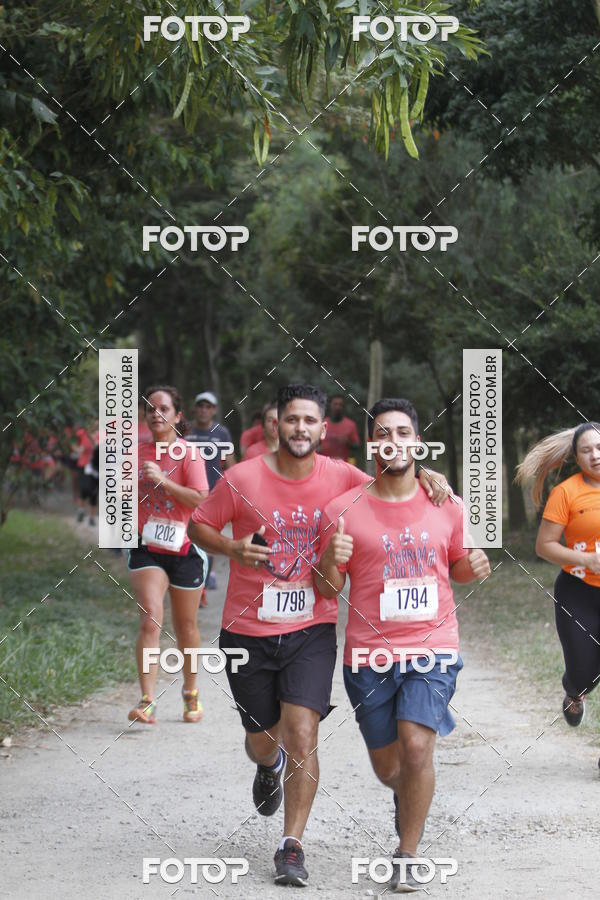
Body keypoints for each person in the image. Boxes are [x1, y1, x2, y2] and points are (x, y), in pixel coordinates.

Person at [188, 384, 451, 888]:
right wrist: (231, 548)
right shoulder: (242, 478)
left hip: (313, 625)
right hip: (248, 629)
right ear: (276, 425)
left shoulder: (342, 477)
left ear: (322, 429)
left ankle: (292, 846)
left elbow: (394, 478)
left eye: (309, 421)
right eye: (292, 420)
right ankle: (268, 767)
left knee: (302, 732)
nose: (301, 429)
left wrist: (432, 474)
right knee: (264, 741)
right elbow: (200, 524)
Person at [315, 398, 490, 893]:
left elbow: (457, 564)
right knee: (389, 766)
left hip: (432, 647)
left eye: (403, 431)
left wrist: (473, 566)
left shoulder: (445, 502)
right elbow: (328, 590)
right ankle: (407, 794)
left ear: (417, 441)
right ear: (372, 444)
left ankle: (407, 853)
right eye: (382, 432)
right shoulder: (342, 510)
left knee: (416, 748)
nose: (393, 440)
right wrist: (330, 557)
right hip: (368, 656)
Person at [127, 386, 209, 725]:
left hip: (185, 550)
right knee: (150, 618)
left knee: (185, 626)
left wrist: (163, 481)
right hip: (149, 550)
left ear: (177, 416)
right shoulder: (135, 452)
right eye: (149, 409)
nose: (155, 413)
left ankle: (190, 691)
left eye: (163, 408)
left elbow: (200, 500)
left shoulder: (189, 454)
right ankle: (147, 700)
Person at [517, 423, 600, 733]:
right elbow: (544, 546)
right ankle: (574, 691)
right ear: (576, 458)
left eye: (599, 448)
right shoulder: (566, 492)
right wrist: (586, 560)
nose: (595, 455)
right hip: (577, 592)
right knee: (584, 670)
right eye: (586, 450)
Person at [188, 391, 236, 594]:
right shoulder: (185, 430)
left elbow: (231, 463)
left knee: (210, 534)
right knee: (188, 533)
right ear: (195, 408)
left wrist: (233, 486)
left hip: (213, 492)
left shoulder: (221, 433)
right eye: (201, 406)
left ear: (214, 410)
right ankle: (191, 575)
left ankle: (209, 574)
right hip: (188, 492)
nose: (204, 410)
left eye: (208, 407)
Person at [318, 394, 360, 461]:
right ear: (330, 405)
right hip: (324, 463)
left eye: (340, 405)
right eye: (335, 404)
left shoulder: (351, 425)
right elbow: (313, 443)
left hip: (342, 464)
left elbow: (357, 447)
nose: (338, 407)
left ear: (343, 407)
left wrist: (348, 442)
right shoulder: (322, 423)